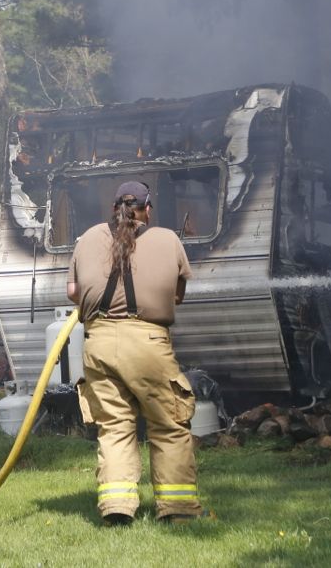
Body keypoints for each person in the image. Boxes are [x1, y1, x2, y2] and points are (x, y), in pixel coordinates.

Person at [67, 180, 202, 525]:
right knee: (168, 425)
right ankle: (177, 509)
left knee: (114, 427)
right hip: (147, 343)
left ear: (114, 208)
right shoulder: (167, 239)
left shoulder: (87, 240)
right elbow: (178, 295)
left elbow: (72, 293)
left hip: (97, 343)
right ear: (147, 209)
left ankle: (116, 508)